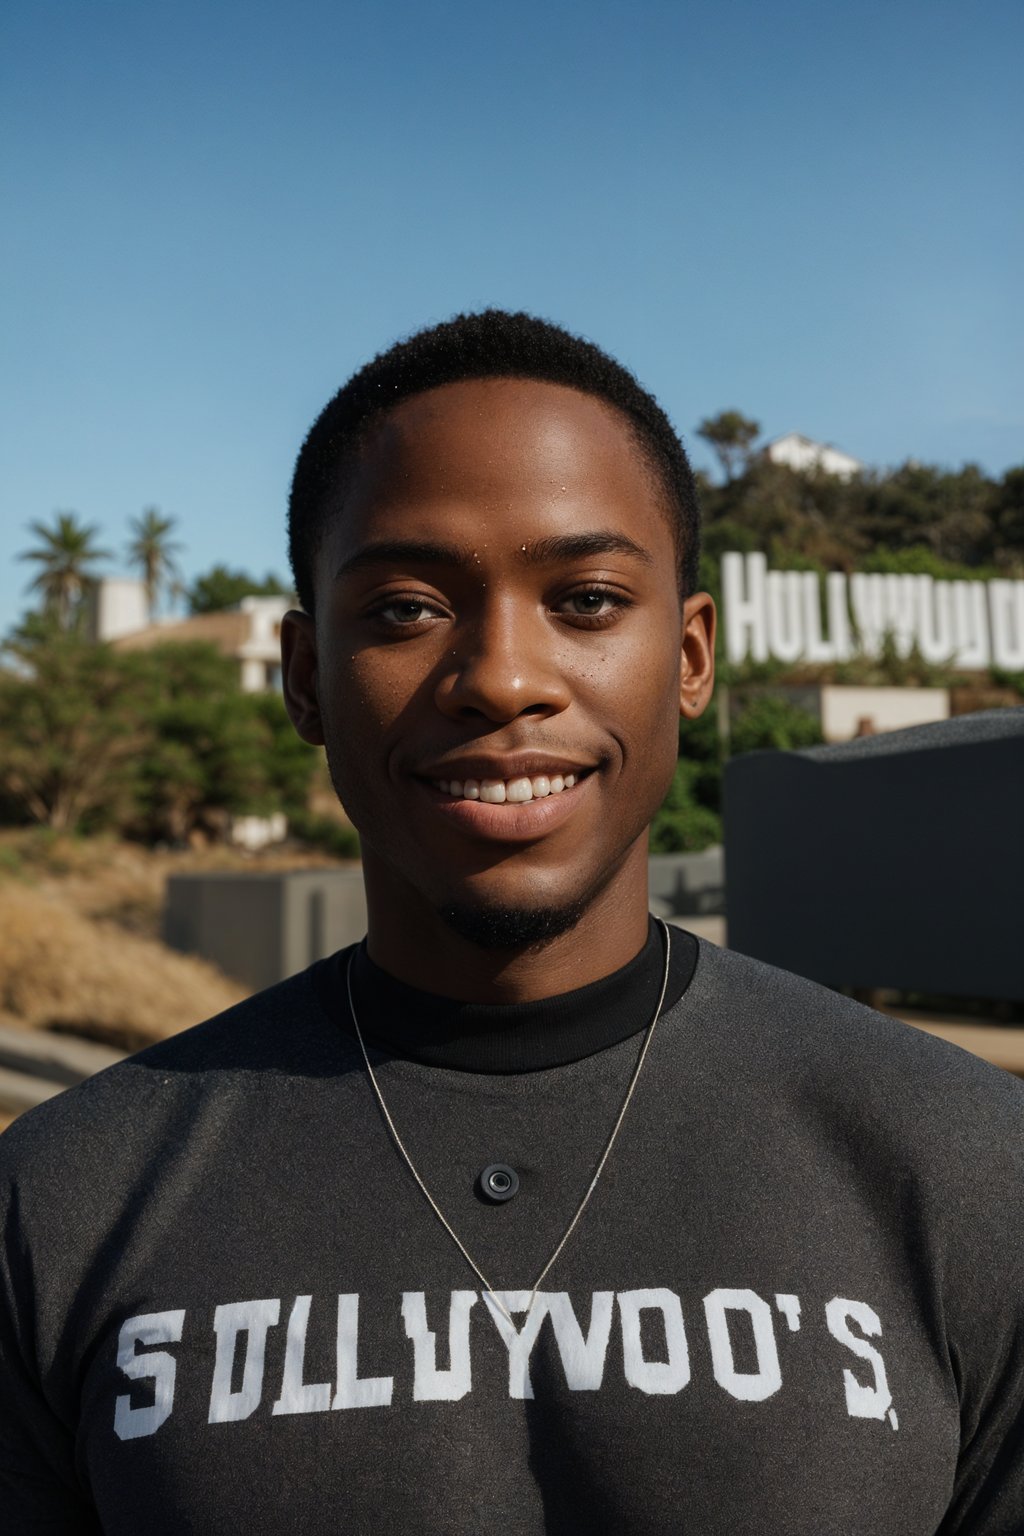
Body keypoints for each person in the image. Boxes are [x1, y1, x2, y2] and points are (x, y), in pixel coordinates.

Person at [1, 311, 1022, 1535]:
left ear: (689, 657)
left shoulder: (972, 1174)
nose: (500, 674)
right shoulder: (58, 1207)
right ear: (306, 675)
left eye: (586, 599)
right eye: (403, 610)